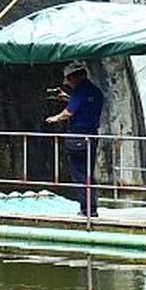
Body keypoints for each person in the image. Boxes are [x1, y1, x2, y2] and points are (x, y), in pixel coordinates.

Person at [44, 62, 104, 216]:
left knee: (79, 174)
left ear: (75, 77)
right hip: (92, 135)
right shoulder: (95, 91)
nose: (68, 83)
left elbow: (69, 112)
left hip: (78, 136)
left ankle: (86, 210)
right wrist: (67, 98)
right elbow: (85, 106)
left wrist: (55, 118)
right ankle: (92, 208)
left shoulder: (79, 91)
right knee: (88, 172)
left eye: (69, 80)